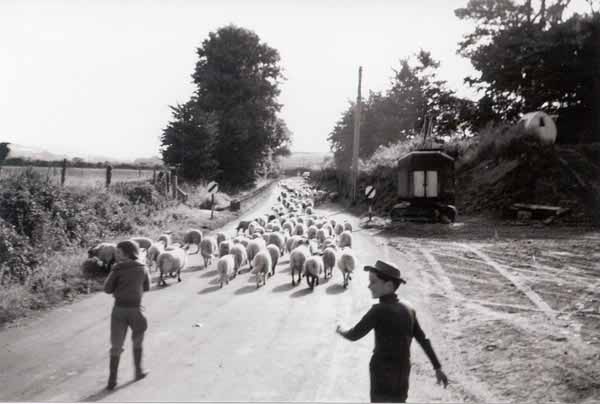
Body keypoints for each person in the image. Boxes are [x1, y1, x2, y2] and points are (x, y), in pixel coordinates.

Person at [335, 260, 448, 403]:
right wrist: (437, 368)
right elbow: (423, 340)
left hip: (381, 373)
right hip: (402, 372)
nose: (369, 286)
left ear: (388, 286)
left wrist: (341, 328)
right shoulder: (409, 308)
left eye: (373, 282)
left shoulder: (378, 310)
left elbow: (353, 335)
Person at [103, 240, 151, 390]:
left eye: (118, 252)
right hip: (137, 310)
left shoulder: (117, 269)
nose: (115, 254)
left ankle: (112, 380)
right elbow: (147, 287)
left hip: (119, 310)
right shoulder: (143, 268)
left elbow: (107, 289)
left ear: (128, 253)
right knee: (137, 341)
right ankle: (138, 371)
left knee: (116, 345)